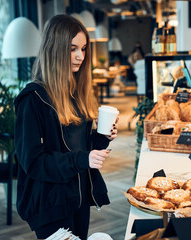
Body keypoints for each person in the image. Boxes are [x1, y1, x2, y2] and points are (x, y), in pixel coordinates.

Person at [14, 14, 118, 240]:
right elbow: (33, 163)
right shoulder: (33, 99)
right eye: (72, 49)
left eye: (83, 48)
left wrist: (102, 138)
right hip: (50, 203)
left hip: (77, 196)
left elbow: (79, 147)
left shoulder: (76, 94)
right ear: (55, 49)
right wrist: (83, 160)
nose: (80, 56)